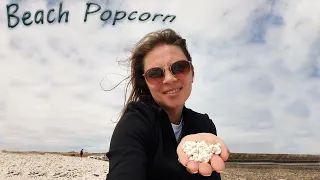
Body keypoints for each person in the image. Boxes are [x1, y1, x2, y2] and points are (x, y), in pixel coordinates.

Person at [106, 28, 230, 180]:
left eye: (179, 67)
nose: (169, 79)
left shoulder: (204, 125)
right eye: (155, 73)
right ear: (146, 83)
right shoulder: (135, 122)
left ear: (192, 73)